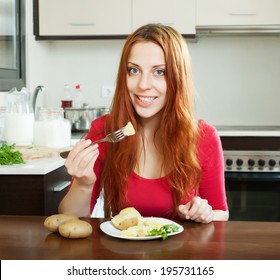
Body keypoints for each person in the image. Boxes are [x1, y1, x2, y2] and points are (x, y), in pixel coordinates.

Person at [59, 23, 229, 223]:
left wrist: (205, 214)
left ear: (178, 78)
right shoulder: (105, 131)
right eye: (134, 70)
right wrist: (83, 184)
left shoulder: (204, 136)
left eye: (159, 72)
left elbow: (221, 213)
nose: (143, 85)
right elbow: (68, 218)